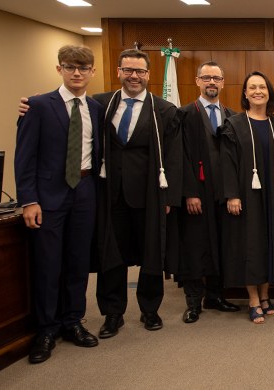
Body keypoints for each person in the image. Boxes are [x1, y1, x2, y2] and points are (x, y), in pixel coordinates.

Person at [15, 45, 101, 364]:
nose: (77, 73)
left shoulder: (95, 108)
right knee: (48, 265)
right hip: (48, 196)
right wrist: (29, 200)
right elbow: (24, 156)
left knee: (78, 262)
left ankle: (72, 322)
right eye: (70, 67)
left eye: (83, 67)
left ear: (92, 71)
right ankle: (46, 329)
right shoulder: (37, 105)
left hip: (85, 191)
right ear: (59, 70)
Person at [93, 49, 182, 338]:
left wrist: (169, 197)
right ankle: (112, 313)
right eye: (128, 70)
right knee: (111, 254)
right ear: (118, 71)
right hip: (111, 194)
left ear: (148, 75)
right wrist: (26, 109)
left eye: (140, 71)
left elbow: (174, 157)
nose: (134, 76)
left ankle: (149, 309)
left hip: (149, 194)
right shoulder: (101, 104)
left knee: (151, 252)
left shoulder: (164, 110)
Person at [221, 72, 274, 324]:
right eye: (252, 87)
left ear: (269, 92)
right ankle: (252, 299)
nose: (257, 91)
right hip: (247, 195)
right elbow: (227, 163)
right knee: (250, 244)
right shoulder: (234, 125)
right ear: (245, 93)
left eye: (262, 87)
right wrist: (231, 194)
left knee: (270, 242)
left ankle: (265, 295)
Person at [174, 61, 240, 324]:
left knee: (220, 244)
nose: (212, 82)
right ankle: (193, 302)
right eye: (207, 78)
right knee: (195, 246)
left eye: (216, 78)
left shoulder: (232, 115)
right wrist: (190, 193)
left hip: (223, 193)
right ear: (197, 81)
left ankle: (215, 295)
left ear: (223, 83)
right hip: (197, 194)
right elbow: (180, 157)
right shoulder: (185, 114)